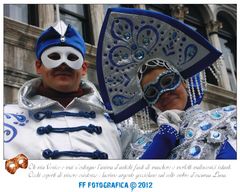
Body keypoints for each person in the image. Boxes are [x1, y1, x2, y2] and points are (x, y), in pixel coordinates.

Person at [96, 8, 236, 159]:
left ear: (184, 83)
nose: (163, 92)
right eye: (151, 92)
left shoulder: (227, 120)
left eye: (167, 81)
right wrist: (162, 141)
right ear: (149, 103)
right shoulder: (138, 147)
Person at [4, 20, 127, 160]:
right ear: (38, 66)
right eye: (54, 57)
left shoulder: (117, 122)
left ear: (83, 68)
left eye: (72, 58)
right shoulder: (6, 119)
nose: (63, 64)